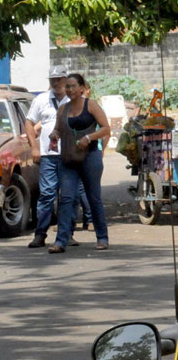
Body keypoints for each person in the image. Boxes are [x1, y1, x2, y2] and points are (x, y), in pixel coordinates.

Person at [48, 73, 110, 253]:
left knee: (93, 197)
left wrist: (89, 137)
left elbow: (106, 128)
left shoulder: (90, 105)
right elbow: (58, 129)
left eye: (73, 86)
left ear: (82, 88)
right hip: (69, 158)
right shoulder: (63, 109)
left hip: (90, 156)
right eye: (67, 86)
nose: (70, 89)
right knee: (66, 198)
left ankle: (102, 237)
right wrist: (54, 134)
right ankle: (61, 240)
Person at [25, 65, 74, 248]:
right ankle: (40, 234)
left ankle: (67, 234)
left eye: (59, 79)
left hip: (69, 155)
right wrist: (34, 148)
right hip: (48, 155)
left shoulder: (74, 99)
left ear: (66, 79)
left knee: (68, 195)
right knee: (46, 195)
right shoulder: (41, 99)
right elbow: (29, 123)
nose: (56, 83)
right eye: (52, 80)